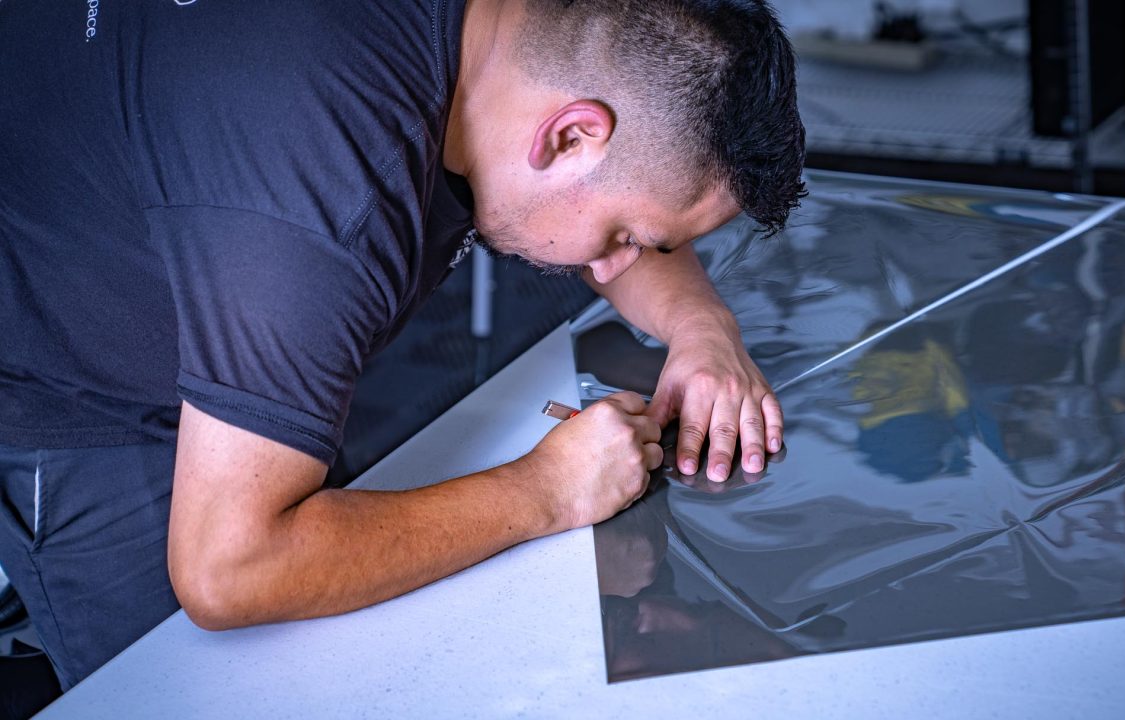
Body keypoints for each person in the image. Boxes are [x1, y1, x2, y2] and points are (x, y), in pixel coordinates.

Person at [0, 0, 806, 689]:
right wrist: (548, 491)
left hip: (206, 238)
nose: (617, 265)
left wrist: (703, 331)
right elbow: (227, 567)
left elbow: (620, 184)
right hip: (80, 385)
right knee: (224, 686)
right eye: (625, 235)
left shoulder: (510, 38)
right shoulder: (320, 203)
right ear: (567, 138)